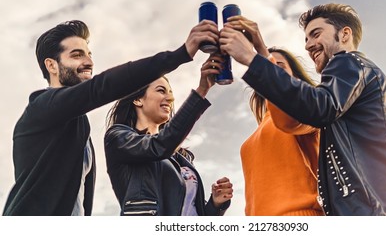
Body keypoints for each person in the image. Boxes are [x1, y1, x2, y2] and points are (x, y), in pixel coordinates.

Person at [219, 3, 386, 215]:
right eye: (306, 39)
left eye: (316, 34)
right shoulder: (349, 85)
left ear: (344, 35)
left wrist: (253, 58)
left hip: (385, 212)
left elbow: (319, 108)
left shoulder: (348, 62)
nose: (307, 45)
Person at [3, 19, 219, 216]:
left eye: (89, 54)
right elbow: (102, 87)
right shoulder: (41, 107)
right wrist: (181, 54)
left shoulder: (78, 123)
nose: (88, 61)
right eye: (77, 55)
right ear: (52, 65)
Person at [104, 54, 233, 216]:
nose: (170, 98)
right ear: (138, 99)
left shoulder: (180, 157)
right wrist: (201, 91)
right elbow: (158, 146)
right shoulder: (118, 139)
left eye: (170, 92)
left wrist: (215, 204)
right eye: (161, 90)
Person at [241, 46, 323, 216]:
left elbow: (288, 119)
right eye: (269, 66)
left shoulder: (308, 107)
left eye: (280, 67)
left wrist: (263, 62)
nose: (272, 70)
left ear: (296, 79)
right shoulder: (260, 129)